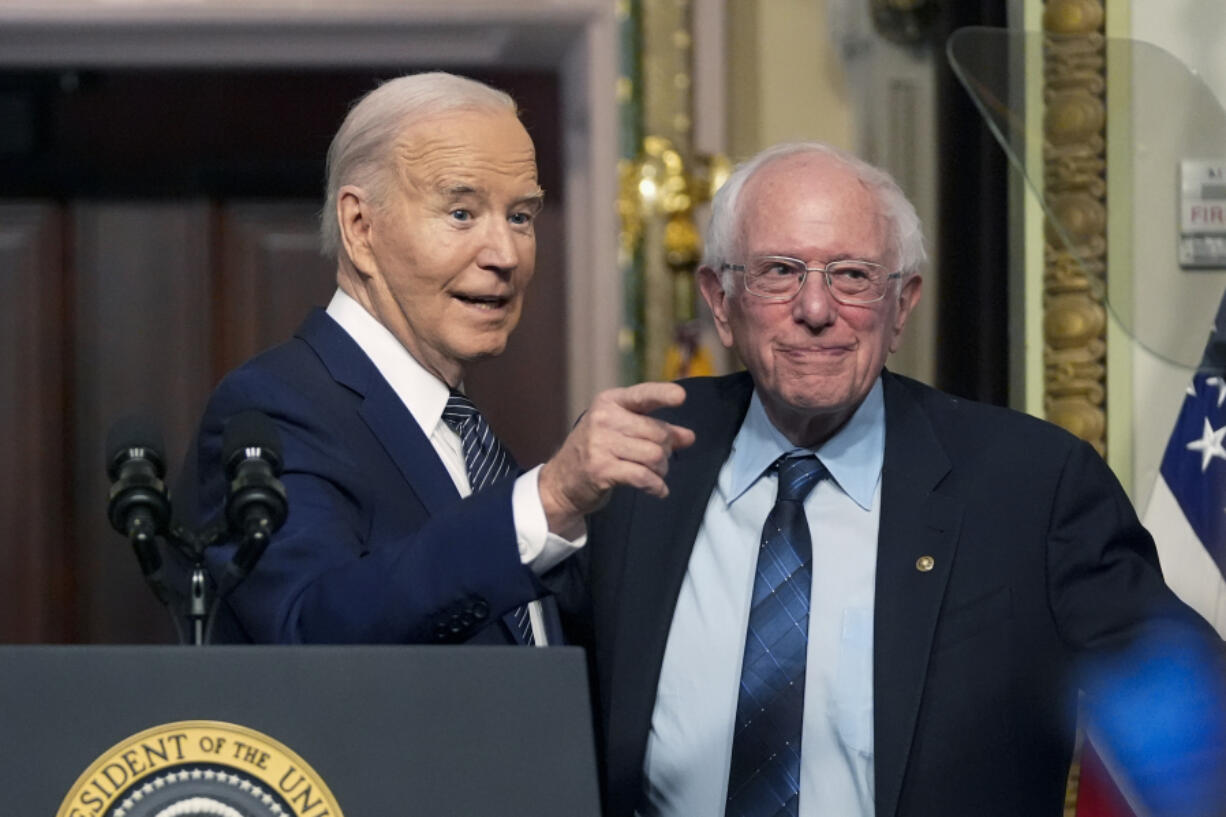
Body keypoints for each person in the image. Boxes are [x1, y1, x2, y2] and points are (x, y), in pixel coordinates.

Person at [558, 141, 1222, 817]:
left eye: (851, 276)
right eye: (781, 271)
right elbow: (513, 681)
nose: (815, 309)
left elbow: (1198, 713)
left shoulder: (1032, 487)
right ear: (720, 300)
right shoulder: (640, 460)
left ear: (902, 305)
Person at [177, 71, 693, 645]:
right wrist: (547, 501)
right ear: (360, 226)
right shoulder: (276, 408)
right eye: (461, 214)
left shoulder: (466, 433)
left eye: (520, 217)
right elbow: (309, 633)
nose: (504, 255)